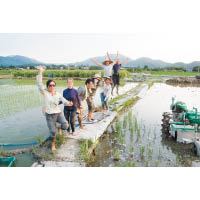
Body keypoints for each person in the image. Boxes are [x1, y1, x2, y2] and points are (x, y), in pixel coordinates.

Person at [36, 66, 72, 152]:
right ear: (48, 86)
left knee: (66, 125)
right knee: (52, 132)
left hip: (58, 113)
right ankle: (53, 144)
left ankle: (59, 127)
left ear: (55, 86)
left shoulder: (58, 94)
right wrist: (41, 71)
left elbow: (63, 100)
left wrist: (68, 103)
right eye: (50, 85)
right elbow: (39, 83)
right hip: (50, 116)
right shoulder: (45, 93)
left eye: (53, 85)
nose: (52, 86)